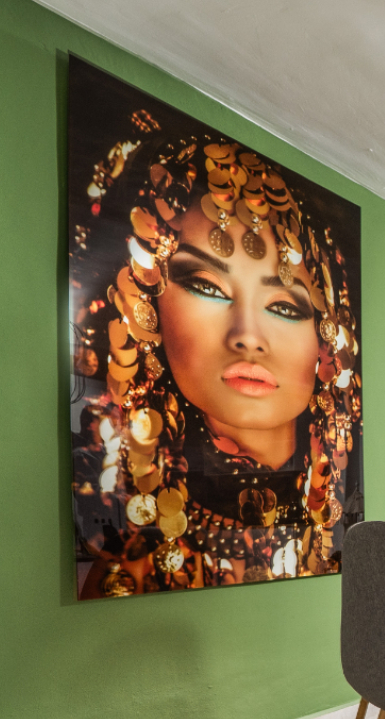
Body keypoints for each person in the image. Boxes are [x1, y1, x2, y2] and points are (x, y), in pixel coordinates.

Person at [70, 133, 362, 598]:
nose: (247, 335)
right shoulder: (128, 570)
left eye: (285, 307)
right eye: (206, 286)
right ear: (150, 304)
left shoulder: (349, 531)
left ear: (327, 340)